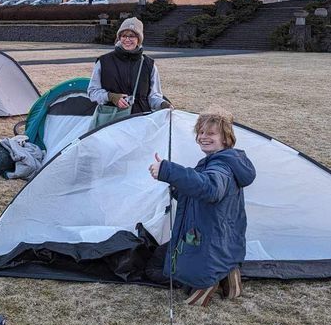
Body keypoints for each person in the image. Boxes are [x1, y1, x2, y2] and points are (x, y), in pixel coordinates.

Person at [149, 107, 256, 307]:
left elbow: (209, 188)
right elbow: (198, 190)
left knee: (198, 255)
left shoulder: (221, 167)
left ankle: (206, 285)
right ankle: (231, 281)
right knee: (221, 251)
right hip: (219, 226)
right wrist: (176, 184)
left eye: (211, 133)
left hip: (207, 229)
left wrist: (168, 170)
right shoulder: (223, 161)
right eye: (201, 132)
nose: (203, 137)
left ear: (225, 138)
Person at [87, 16, 171, 115]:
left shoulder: (149, 65)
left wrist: (163, 104)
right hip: (112, 120)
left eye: (132, 36)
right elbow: (92, 92)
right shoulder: (103, 62)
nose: (127, 39)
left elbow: (154, 97)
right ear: (119, 38)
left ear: (139, 39)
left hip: (141, 119)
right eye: (123, 36)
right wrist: (110, 97)